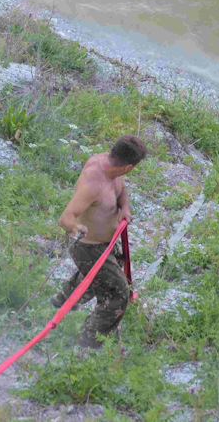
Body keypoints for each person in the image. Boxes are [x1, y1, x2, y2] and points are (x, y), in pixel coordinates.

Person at [51, 134, 148, 348]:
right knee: (118, 295)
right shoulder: (94, 182)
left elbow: (121, 189)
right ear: (128, 167)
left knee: (108, 271)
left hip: (105, 244)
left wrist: (125, 208)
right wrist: (76, 227)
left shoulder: (112, 167)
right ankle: (86, 345)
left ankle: (64, 299)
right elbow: (65, 218)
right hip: (88, 247)